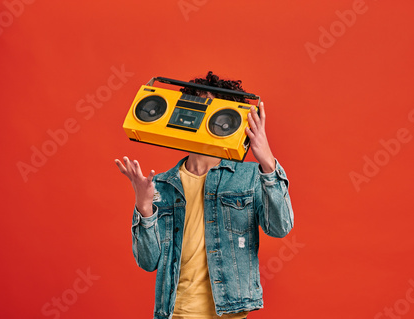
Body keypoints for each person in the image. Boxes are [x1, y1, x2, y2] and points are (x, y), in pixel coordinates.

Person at [115, 72, 294, 319]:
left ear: (226, 119)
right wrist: (144, 207)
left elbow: (281, 227)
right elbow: (148, 262)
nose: (195, 119)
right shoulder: (161, 184)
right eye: (190, 110)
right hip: (175, 312)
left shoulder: (251, 175)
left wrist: (267, 161)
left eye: (208, 113)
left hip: (228, 312)